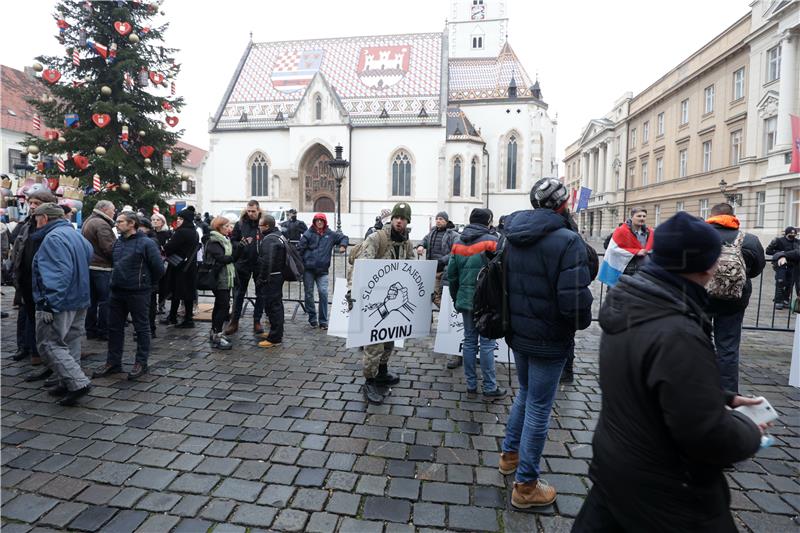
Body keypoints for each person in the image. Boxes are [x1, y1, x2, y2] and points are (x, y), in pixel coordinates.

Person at [572, 212, 765, 532]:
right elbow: (707, 435)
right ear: (703, 266)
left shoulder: (632, 303)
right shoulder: (677, 330)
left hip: (616, 466)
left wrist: (721, 397)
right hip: (668, 491)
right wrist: (751, 432)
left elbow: (646, 380)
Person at [498, 178, 593, 509]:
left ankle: (509, 455)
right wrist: (581, 320)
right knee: (538, 405)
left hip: (518, 333)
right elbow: (575, 303)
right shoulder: (568, 241)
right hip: (550, 338)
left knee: (525, 394)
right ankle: (525, 486)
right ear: (563, 205)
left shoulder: (510, 236)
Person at [30, 203, 94, 406]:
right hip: (79, 298)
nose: (35, 221)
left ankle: (77, 382)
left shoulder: (53, 238)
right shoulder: (76, 235)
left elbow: (59, 274)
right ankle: (66, 380)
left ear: (45, 218)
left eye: (36, 217)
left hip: (60, 301)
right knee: (71, 342)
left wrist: (50, 303)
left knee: (50, 344)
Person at [93, 212, 164, 380]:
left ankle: (141, 362)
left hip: (138, 292)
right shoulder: (118, 243)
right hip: (117, 291)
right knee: (114, 328)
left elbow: (159, 269)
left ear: (132, 223)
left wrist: (146, 283)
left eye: (120, 222)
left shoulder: (146, 243)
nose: (117, 224)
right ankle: (113, 362)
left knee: (141, 328)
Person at [359, 202, 417, 405]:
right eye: (396, 217)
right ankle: (369, 381)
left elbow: (413, 268)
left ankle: (382, 372)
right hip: (375, 300)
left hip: (394, 301)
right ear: (391, 219)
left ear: (407, 221)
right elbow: (361, 267)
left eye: (403, 218)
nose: (399, 221)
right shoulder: (377, 238)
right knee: (374, 344)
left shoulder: (407, 243)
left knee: (390, 339)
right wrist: (353, 293)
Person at [447, 208, 506, 400]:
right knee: (487, 343)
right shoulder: (492, 241)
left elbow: (452, 275)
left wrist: (456, 298)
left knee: (470, 341)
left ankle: (471, 384)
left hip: (466, 298)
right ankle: (489, 386)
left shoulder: (457, 242)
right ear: (487, 222)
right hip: (487, 300)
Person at [705, 203, 765, 394]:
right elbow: (756, 269)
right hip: (734, 300)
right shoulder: (750, 240)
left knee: (697, 342)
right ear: (732, 216)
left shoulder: (698, 237)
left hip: (701, 298)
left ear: (711, 216)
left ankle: (697, 389)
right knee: (728, 347)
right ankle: (729, 394)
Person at [10, 190, 57, 368]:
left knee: (43, 319)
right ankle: (28, 348)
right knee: (27, 315)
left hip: (43, 280)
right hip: (25, 278)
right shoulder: (26, 225)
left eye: (36, 203)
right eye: (30, 203)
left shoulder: (50, 227)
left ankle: (42, 353)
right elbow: (17, 246)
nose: (32, 207)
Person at [297, 213, 349, 329]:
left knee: (323, 293)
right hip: (308, 270)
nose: (319, 222)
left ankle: (323, 320)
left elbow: (344, 237)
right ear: (314, 222)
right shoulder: (308, 234)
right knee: (309, 294)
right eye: (317, 220)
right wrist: (299, 267)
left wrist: (343, 245)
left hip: (322, 270)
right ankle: (312, 318)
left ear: (325, 222)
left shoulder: (330, 234)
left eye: (321, 220)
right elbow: (299, 249)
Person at [226, 200, 263, 335]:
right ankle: (234, 322)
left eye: (253, 211)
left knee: (261, 293)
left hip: (259, 263)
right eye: (249, 211)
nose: (251, 213)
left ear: (258, 210)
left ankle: (257, 321)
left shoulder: (263, 222)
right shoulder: (241, 223)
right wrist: (240, 244)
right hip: (243, 263)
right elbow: (233, 240)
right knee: (238, 293)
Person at [81, 200, 116, 341]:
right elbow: (109, 248)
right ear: (105, 209)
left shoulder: (90, 220)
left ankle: (91, 330)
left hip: (90, 265)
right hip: (102, 267)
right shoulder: (101, 224)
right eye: (113, 210)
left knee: (92, 301)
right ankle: (103, 331)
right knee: (105, 301)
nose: (114, 212)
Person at [161, 207, 200, 328]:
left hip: (179, 266)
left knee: (176, 291)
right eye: (178, 218)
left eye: (180, 218)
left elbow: (169, 247)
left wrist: (165, 246)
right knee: (186, 292)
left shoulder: (182, 232)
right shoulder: (194, 231)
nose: (178, 220)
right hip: (190, 266)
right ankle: (185, 318)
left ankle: (177, 318)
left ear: (186, 220)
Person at [205, 216, 239, 350]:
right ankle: (217, 334)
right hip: (219, 278)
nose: (228, 228)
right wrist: (235, 255)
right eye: (226, 226)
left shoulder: (224, 239)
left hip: (225, 277)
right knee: (223, 307)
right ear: (219, 227)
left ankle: (215, 332)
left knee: (220, 305)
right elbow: (223, 258)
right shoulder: (214, 241)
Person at [255, 214, 286, 348]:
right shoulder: (278, 235)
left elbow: (267, 262)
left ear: (267, 226)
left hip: (271, 277)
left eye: (260, 226)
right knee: (275, 305)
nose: (259, 228)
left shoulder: (269, 240)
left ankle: (275, 338)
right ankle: (275, 332)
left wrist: (261, 279)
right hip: (277, 275)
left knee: (273, 307)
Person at [136, 215, 162, 337]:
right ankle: (146, 329)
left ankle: (150, 329)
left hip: (148, 278)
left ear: (147, 228)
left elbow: (156, 263)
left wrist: (153, 278)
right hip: (140, 277)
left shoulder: (151, 241)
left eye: (141, 228)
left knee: (149, 304)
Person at [766, 226, 799, 309]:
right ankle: (778, 301)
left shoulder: (797, 242)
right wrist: (780, 253)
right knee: (780, 281)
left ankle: (785, 300)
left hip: (792, 264)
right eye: (790, 234)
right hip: (781, 264)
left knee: (790, 283)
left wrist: (786, 254)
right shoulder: (778, 241)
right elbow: (768, 251)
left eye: (794, 234)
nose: (792, 236)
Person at [150, 212, 172, 314]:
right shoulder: (150, 233)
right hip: (152, 261)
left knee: (163, 284)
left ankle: (161, 305)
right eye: (153, 219)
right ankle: (153, 306)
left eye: (157, 220)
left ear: (163, 222)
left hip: (164, 261)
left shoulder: (167, 233)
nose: (155, 221)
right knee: (153, 284)